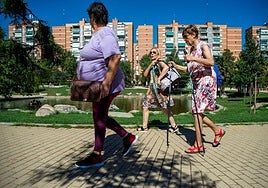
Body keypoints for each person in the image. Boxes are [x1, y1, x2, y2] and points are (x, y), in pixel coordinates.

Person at [75, 2, 138, 168]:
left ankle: (97, 155)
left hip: (105, 85)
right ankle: (127, 137)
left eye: (90, 18)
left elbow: (115, 58)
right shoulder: (98, 35)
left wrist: (106, 83)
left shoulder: (105, 33)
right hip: (95, 84)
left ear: (93, 18)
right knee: (99, 116)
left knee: (99, 116)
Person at [169, 25, 225, 153]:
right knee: (196, 112)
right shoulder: (192, 51)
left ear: (193, 34)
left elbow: (210, 62)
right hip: (196, 83)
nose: (186, 41)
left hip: (206, 80)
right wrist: (175, 65)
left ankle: (198, 144)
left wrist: (193, 58)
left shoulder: (203, 46)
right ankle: (217, 131)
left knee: (197, 112)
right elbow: (188, 69)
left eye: (186, 37)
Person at [136, 47, 178, 133]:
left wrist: (159, 79)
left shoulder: (160, 61)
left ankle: (174, 126)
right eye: (151, 52)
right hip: (152, 88)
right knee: (145, 106)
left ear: (158, 54)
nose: (152, 54)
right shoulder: (153, 63)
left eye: (154, 52)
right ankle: (144, 127)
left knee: (164, 108)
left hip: (159, 89)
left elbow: (166, 68)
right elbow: (145, 74)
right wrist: (150, 65)